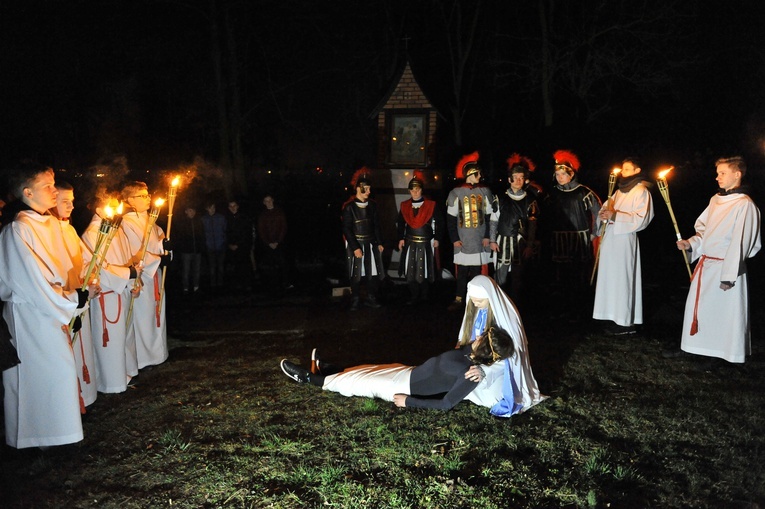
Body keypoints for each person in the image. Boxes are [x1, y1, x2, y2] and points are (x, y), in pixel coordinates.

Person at [0, 162, 98, 448]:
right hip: (30, 315)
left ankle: (53, 434)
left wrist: (79, 290)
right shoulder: (17, 230)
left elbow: (64, 268)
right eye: (48, 186)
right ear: (27, 192)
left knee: (57, 371)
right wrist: (71, 300)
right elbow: (32, 281)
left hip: (51, 310)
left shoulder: (51, 224)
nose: (55, 191)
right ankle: (36, 437)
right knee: (45, 372)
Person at [666, 156, 761, 368]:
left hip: (726, 267)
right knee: (699, 309)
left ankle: (718, 354)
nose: (717, 177)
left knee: (721, 312)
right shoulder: (715, 200)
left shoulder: (744, 205)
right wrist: (691, 244)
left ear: (737, 174)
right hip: (706, 265)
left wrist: (729, 275)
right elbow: (704, 230)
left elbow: (740, 242)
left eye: (722, 173)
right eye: (717, 172)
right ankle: (695, 348)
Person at [280, 326, 515, 411]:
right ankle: (330, 368)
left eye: (484, 336)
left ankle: (310, 379)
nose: (479, 335)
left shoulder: (471, 374)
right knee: (368, 369)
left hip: (404, 386)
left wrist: (407, 401)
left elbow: (446, 404)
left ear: (485, 348)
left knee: (355, 384)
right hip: (409, 372)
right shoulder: (469, 352)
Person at [82, 196, 142, 392]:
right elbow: (96, 268)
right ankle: (112, 382)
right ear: (99, 208)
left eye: (117, 205)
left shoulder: (118, 229)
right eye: (112, 206)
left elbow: (126, 259)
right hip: (107, 294)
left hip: (123, 290)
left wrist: (134, 281)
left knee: (126, 335)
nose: (117, 210)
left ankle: (127, 371)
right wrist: (127, 274)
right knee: (111, 339)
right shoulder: (92, 233)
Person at [592, 157, 654, 335]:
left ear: (637, 171)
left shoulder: (641, 191)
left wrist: (615, 216)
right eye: (622, 169)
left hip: (625, 240)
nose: (623, 172)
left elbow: (642, 218)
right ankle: (611, 316)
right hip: (611, 239)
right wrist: (603, 215)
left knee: (623, 278)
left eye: (627, 169)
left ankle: (625, 321)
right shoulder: (617, 192)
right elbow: (606, 209)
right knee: (611, 278)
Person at [50, 180, 98, 407]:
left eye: (72, 201)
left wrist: (92, 277)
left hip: (80, 299)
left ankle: (86, 396)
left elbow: (85, 260)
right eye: (65, 201)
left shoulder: (69, 229)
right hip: (65, 302)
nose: (71, 206)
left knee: (83, 348)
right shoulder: (47, 231)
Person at [544, 149, 601, 319]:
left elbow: (598, 214)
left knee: (579, 272)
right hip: (559, 239)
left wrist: (594, 233)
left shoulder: (584, 192)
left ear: (571, 174)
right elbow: (546, 216)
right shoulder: (552, 193)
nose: (560, 177)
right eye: (557, 174)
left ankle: (580, 306)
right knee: (561, 273)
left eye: (563, 173)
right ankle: (562, 305)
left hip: (579, 239)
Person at [120, 181, 169, 370]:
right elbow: (135, 251)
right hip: (142, 277)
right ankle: (143, 357)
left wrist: (165, 249)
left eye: (148, 194)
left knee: (156, 313)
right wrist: (157, 258)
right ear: (130, 199)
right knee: (143, 316)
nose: (148, 198)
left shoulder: (150, 219)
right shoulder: (127, 222)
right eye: (142, 195)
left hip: (155, 273)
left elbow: (158, 240)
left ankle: (158, 353)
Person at [445, 152, 496, 311]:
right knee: (461, 272)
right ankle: (459, 297)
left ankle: (475, 299)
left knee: (477, 271)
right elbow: (451, 219)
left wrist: (487, 236)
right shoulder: (456, 193)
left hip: (480, 239)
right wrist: (454, 239)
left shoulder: (485, 191)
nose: (480, 176)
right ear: (469, 174)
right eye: (477, 173)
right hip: (463, 239)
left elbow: (489, 216)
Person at [490, 153, 542, 306]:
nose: (518, 180)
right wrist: (492, 240)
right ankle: (499, 306)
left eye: (521, 177)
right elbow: (494, 220)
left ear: (525, 179)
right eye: (516, 177)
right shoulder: (500, 198)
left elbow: (532, 226)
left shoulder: (530, 200)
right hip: (502, 242)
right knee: (501, 277)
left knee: (518, 278)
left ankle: (515, 307)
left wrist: (529, 245)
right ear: (509, 179)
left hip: (520, 243)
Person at [396, 170, 443, 304]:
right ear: (409, 191)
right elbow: (400, 223)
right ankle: (414, 295)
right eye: (412, 190)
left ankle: (424, 296)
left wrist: (438, 238)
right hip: (410, 242)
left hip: (426, 243)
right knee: (410, 270)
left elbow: (440, 222)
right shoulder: (405, 206)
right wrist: (400, 238)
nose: (415, 192)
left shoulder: (431, 205)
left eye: (417, 189)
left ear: (421, 190)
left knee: (425, 270)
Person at [342, 167, 385, 310]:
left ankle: (371, 298)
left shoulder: (372, 205)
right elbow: (347, 229)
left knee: (372, 273)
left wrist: (379, 242)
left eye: (369, 188)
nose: (369, 191)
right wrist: (355, 247)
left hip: (371, 243)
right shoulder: (349, 208)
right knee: (356, 274)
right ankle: (355, 298)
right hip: (356, 245)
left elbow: (376, 226)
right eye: (366, 189)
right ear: (359, 189)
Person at [256, 194, 290, 293]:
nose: (268, 202)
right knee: (270, 265)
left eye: (270, 200)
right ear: (264, 203)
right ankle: (273, 285)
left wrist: (278, 241)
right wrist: (268, 242)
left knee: (283, 264)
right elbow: (261, 230)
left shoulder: (279, 212)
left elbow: (283, 227)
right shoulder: (262, 215)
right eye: (266, 201)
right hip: (268, 244)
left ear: (273, 200)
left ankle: (285, 283)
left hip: (279, 243)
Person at [174, 204, 205, 294]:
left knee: (197, 269)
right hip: (186, 251)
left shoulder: (198, 222)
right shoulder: (182, 223)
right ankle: (185, 288)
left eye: (193, 211)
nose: (192, 213)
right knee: (186, 270)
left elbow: (201, 235)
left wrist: (201, 247)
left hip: (197, 250)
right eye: (190, 210)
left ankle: (196, 286)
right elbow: (179, 236)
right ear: (186, 211)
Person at [226, 199, 254, 292]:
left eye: (234, 206)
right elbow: (226, 233)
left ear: (238, 206)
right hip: (232, 247)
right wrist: (230, 244)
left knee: (245, 265)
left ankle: (248, 284)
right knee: (236, 266)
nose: (233, 208)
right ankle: (239, 284)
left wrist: (239, 244)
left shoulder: (244, 217)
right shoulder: (227, 219)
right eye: (231, 206)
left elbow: (246, 233)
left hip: (243, 246)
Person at [201, 201, 227, 289]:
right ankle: (213, 285)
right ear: (206, 209)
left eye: (213, 208)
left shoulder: (221, 218)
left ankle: (220, 284)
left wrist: (223, 241)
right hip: (210, 246)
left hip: (220, 245)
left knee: (220, 266)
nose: (212, 210)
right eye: (210, 208)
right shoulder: (203, 219)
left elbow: (225, 230)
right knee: (212, 266)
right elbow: (202, 233)